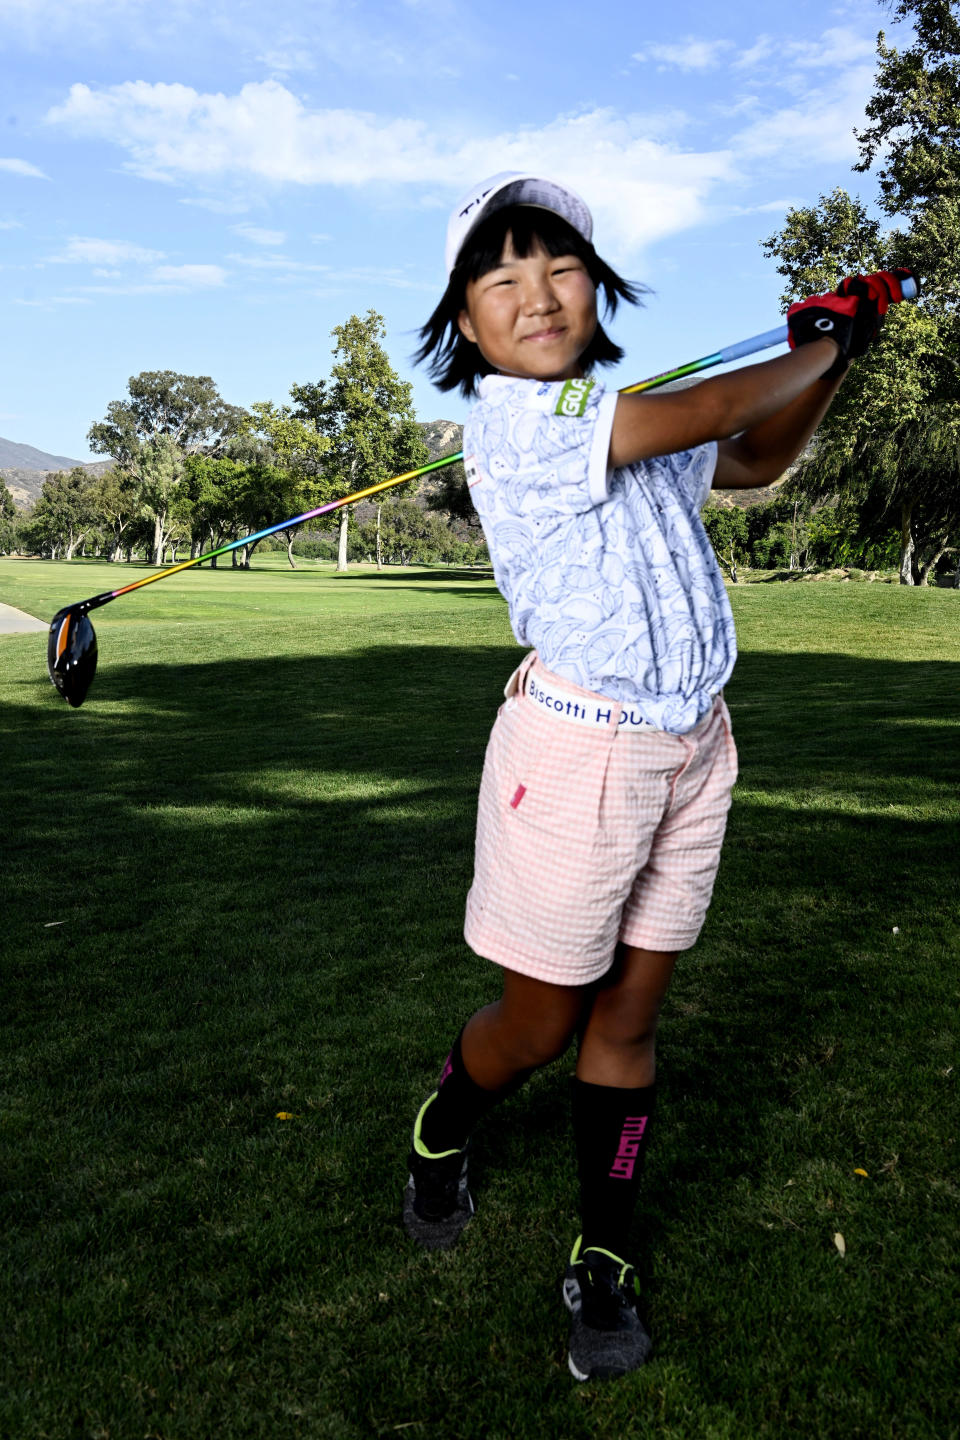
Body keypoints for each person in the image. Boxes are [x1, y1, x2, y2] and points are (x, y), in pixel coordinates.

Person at [406, 171, 907, 1382]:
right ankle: (447, 1120)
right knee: (541, 1021)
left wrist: (827, 362)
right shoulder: (522, 425)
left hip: (693, 745)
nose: (538, 292)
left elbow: (755, 454)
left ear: (598, 288)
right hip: (582, 753)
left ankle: (606, 1253)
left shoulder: (622, 413)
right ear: (464, 323)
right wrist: (825, 330)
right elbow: (719, 403)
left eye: (561, 265)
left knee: (629, 1016)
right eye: (501, 274)